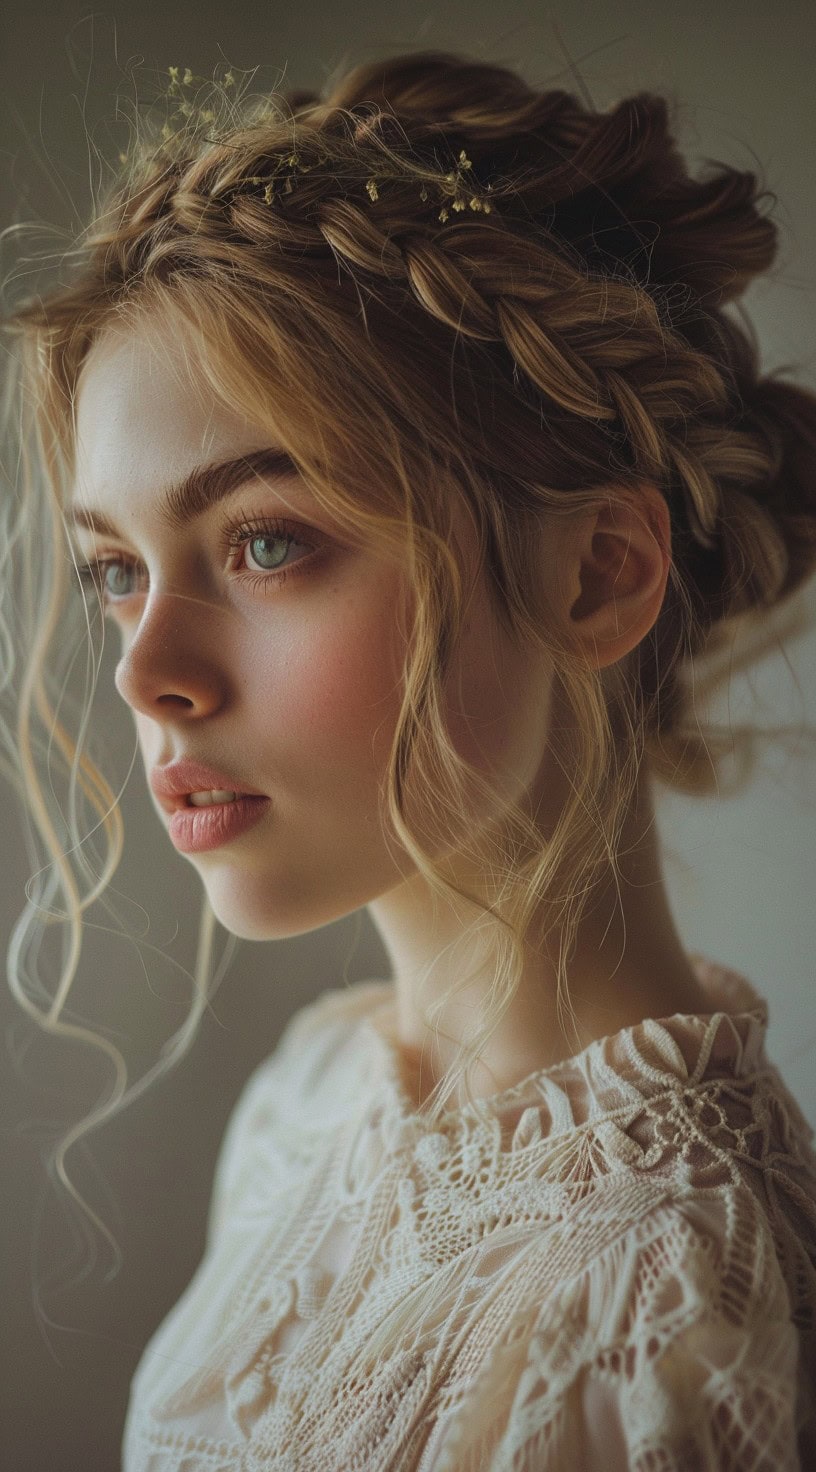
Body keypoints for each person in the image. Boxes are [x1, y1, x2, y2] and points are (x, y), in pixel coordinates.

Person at [2, 46, 816, 1471]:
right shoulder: (315, 1094)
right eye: (117, 571)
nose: (146, 672)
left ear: (599, 575)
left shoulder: (673, 1307)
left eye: (267, 543)